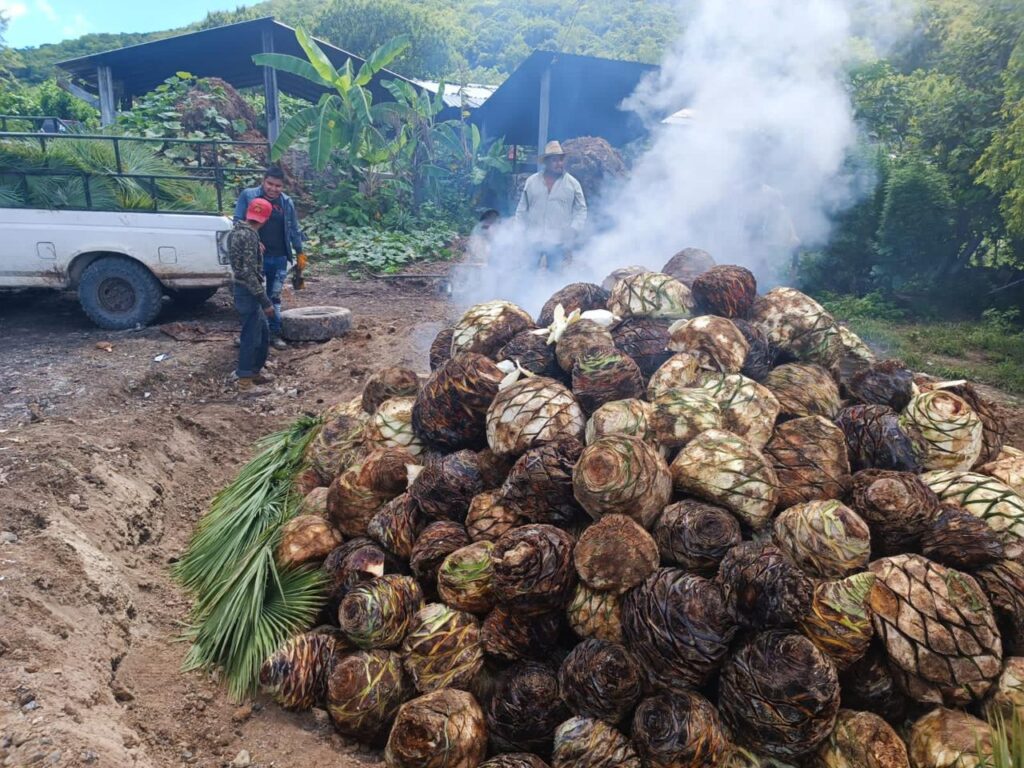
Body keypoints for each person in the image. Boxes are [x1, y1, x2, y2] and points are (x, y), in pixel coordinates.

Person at [233, 167, 304, 349]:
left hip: (280, 257)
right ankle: (250, 335)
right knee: (256, 297)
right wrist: (253, 241)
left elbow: (294, 229)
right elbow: (238, 221)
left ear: (283, 187)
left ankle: (274, 333)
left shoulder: (286, 202)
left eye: (278, 186)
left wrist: (300, 252)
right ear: (263, 180)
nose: (273, 188)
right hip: (257, 259)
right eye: (270, 184)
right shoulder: (249, 196)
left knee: (275, 297)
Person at [515, 141, 587, 272]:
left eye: (561, 160)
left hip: (558, 241)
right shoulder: (531, 182)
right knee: (526, 274)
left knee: (556, 277)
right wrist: (519, 231)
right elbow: (522, 209)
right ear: (546, 162)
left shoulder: (573, 184)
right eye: (554, 160)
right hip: (533, 239)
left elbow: (581, 210)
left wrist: (574, 229)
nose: (559, 164)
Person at [229, 198, 277, 391]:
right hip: (248, 291)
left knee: (263, 333)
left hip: (244, 289)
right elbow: (248, 273)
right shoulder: (249, 236)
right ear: (266, 219)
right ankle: (245, 381)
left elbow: (241, 259)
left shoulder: (239, 231)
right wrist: (265, 301)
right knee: (251, 336)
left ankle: (254, 371)